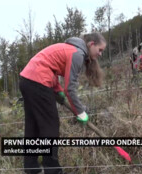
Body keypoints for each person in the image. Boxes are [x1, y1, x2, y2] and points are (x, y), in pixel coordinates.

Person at [19, 32, 106, 174]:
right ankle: (52, 170)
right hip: (39, 81)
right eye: (100, 50)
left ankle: (31, 167)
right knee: (50, 126)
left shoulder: (69, 48)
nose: (100, 54)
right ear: (91, 44)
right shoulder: (77, 53)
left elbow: (50, 68)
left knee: (32, 125)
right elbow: (70, 89)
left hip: (26, 80)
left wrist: (57, 90)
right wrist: (80, 112)